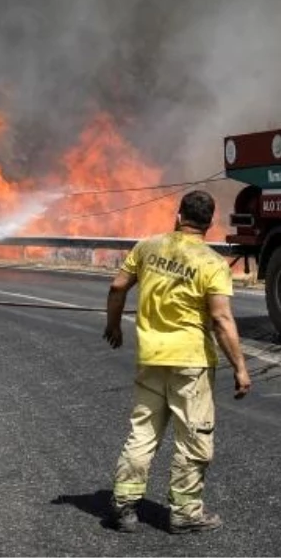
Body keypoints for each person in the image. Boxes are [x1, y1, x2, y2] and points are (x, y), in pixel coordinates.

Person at [102, 189, 252, 535]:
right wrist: (241, 368)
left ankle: (124, 505)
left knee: (143, 432)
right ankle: (185, 512)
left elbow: (116, 287)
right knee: (193, 436)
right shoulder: (212, 263)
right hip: (191, 363)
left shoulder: (147, 247)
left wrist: (113, 325)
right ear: (210, 223)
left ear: (178, 214)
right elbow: (221, 320)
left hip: (151, 358)